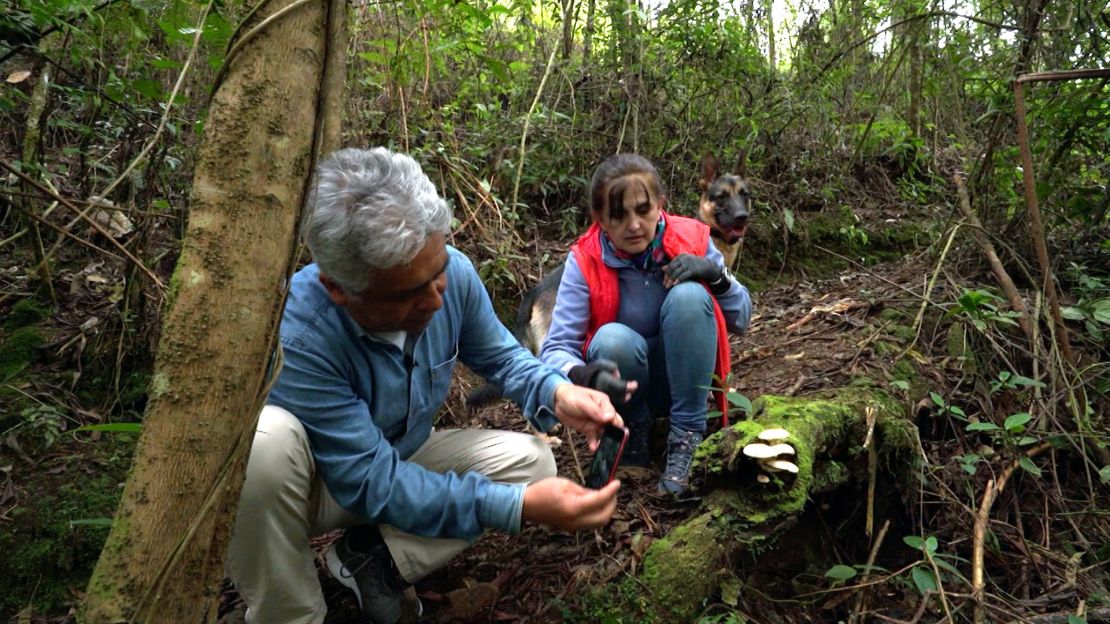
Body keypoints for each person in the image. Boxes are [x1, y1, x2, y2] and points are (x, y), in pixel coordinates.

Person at [226, 147, 624, 624]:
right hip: (319, 486)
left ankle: (373, 559)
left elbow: (501, 356)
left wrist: (558, 393)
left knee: (532, 464)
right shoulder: (302, 334)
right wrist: (515, 508)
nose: (435, 298)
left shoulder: (450, 271)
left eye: (437, 275)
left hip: (401, 453)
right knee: (261, 447)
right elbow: (370, 481)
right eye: (408, 293)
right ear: (338, 287)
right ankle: (289, 613)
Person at [539, 153, 752, 495]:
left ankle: (687, 436)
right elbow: (556, 348)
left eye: (643, 210)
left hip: (684, 383)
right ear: (600, 218)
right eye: (619, 215)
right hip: (624, 387)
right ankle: (632, 429)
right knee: (611, 339)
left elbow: (742, 318)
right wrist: (579, 373)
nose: (634, 225)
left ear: (660, 205)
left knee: (689, 297)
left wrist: (716, 275)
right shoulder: (584, 260)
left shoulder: (694, 239)